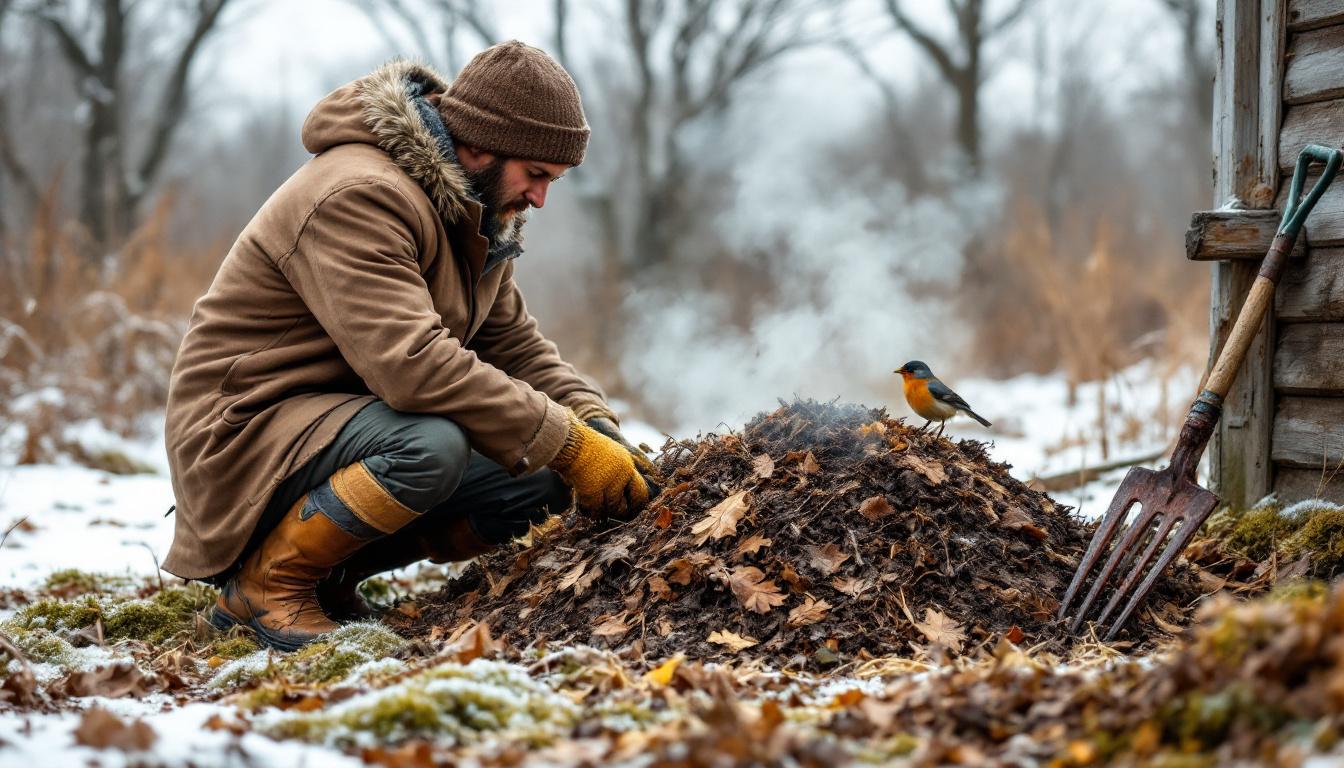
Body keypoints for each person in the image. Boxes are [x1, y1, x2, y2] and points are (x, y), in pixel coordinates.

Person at [161, 41, 654, 650]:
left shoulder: (471, 213)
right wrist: (569, 441)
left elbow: (515, 346)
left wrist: (594, 426)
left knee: (539, 477)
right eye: (536, 175)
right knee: (433, 446)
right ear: (478, 146)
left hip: (337, 429)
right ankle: (267, 589)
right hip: (244, 436)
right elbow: (412, 367)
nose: (540, 199)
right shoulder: (359, 195)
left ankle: (329, 574)